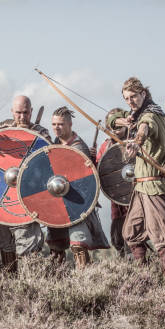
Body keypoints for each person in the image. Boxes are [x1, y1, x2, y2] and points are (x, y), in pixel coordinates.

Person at [107, 77, 165, 279]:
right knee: (131, 232)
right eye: (127, 99)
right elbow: (110, 120)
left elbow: (144, 130)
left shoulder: (150, 116)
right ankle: (143, 278)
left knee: (161, 237)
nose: (130, 102)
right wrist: (125, 120)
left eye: (134, 97)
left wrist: (137, 142)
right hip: (141, 187)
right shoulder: (145, 113)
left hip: (152, 185)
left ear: (143, 94)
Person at [0, 95, 52, 272]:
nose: (22, 116)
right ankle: (10, 279)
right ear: (12, 112)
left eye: (25, 112)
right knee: (4, 240)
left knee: (27, 241)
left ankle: (29, 281)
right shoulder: (2, 128)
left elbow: (49, 158)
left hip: (28, 193)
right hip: (3, 190)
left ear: (31, 112)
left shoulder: (41, 132)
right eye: (18, 112)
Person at [46, 107, 110, 268]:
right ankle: (57, 281)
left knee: (78, 244)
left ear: (69, 124)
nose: (56, 128)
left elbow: (85, 181)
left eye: (60, 124)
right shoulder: (52, 145)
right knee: (56, 245)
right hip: (57, 203)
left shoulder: (79, 148)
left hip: (76, 202)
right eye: (54, 124)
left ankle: (83, 281)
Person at [96, 108, 130, 258]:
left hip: (135, 197)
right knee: (118, 238)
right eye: (112, 126)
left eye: (118, 125)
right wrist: (92, 159)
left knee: (135, 237)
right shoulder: (105, 146)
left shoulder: (135, 141)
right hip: (116, 198)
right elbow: (99, 169)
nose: (115, 130)